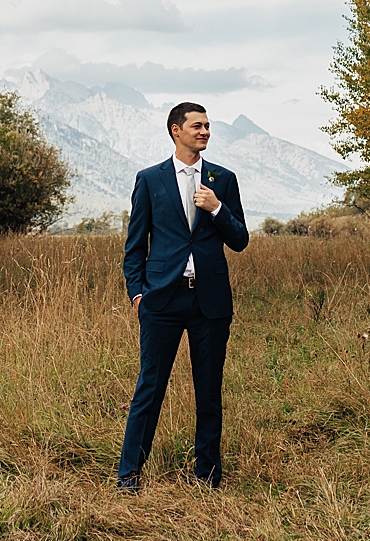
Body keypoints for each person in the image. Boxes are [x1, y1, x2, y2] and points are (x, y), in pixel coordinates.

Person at [116, 101, 250, 492]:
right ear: (176, 130)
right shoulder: (150, 179)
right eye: (197, 125)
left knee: (208, 391)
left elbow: (239, 240)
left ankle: (208, 476)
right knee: (149, 388)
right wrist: (138, 295)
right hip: (162, 301)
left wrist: (217, 207)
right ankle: (129, 476)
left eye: (208, 126)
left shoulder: (223, 179)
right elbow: (134, 246)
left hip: (210, 303)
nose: (205, 131)